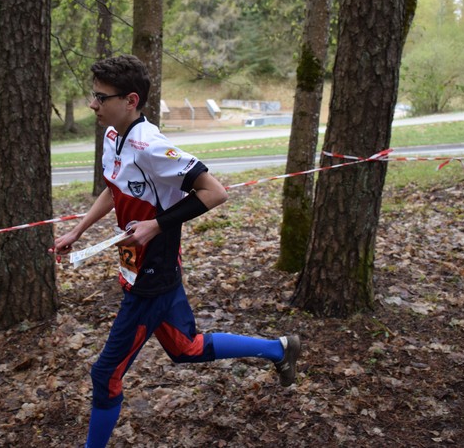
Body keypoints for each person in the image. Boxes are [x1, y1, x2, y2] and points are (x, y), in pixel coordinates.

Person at [53, 55, 300, 448]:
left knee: (105, 376)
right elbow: (115, 188)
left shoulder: (151, 145)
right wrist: (79, 231)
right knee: (186, 349)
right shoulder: (114, 137)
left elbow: (214, 192)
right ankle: (278, 349)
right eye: (93, 95)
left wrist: (156, 225)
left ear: (131, 100)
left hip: (154, 273)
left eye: (101, 97)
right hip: (140, 267)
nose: (92, 104)